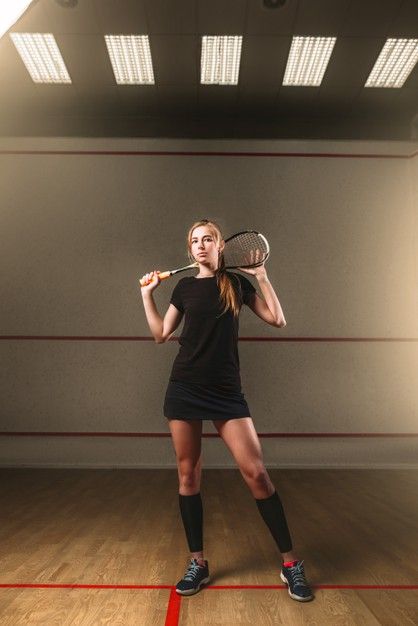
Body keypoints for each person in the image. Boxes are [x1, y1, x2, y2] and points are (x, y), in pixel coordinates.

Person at [140, 219, 314, 602]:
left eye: (208, 239)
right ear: (191, 249)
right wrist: (148, 296)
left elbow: (278, 320)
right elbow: (160, 334)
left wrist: (263, 277)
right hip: (184, 388)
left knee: (257, 474)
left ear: (221, 246)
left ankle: (291, 565)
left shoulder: (236, 284)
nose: (201, 246)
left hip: (225, 392)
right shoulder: (184, 288)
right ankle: (197, 563)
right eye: (195, 241)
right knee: (188, 476)